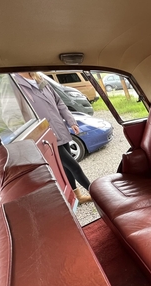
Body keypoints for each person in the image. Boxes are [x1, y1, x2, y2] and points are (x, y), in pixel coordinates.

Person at [8, 72, 93, 204]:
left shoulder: (40, 79)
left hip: (60, 130)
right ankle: (96, 193)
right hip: (44, 136)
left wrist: (71, 122)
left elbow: (60, 103)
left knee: (66, 168)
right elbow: (12, 117)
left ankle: (77, 196)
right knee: (74, 166)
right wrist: (28, 137)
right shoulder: (13, 83)